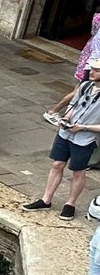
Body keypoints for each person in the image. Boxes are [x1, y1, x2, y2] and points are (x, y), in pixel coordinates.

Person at [28, 58, 100, 215]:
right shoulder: (85, 86)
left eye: (97, 70)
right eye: (92, 68)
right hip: (66, 132)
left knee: (78, 172)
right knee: (57, 164)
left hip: (85, 139)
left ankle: (70, 204)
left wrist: (83, 127)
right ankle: (46, 200)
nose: (92, 72)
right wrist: (66, 117)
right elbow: (73, 105)